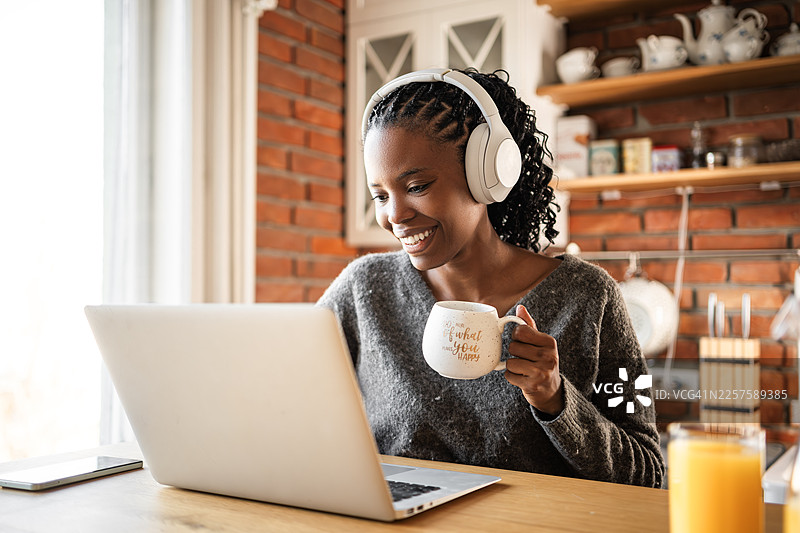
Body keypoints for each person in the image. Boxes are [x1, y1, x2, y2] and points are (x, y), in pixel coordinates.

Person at [317, 68, 664, 488]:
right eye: (380, 195)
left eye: (418, 186)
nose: (395, 215)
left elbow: (648, 473)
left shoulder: (588, 297)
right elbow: (286, 401)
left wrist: (556, 399)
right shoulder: (364, 288)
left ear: (487, 175)